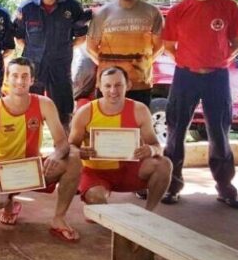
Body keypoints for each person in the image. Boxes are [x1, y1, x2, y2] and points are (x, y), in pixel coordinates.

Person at [161, 0, 238, 208]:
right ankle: (171, 186)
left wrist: (219, 60)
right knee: (176, 132)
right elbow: (167, 46)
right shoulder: (178, 11)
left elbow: (237, 44)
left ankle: (225, 188)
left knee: (219, 133)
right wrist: (188, 61)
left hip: (217, 78)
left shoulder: (228, 7)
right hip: (185, 76)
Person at [0, 57, 82, 242]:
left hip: (34, 171)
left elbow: (62, 143)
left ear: (32, 80)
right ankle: (9, 202)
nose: (20, 81)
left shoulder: (44, 104)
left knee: (73, 157)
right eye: (15, 76)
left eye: (25, 76)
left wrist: (56, 154)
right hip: (5, 173)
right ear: (7, 78)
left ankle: (58, 218)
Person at [68, 67, 171, 211]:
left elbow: (157, 146)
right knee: (96, 199)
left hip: (129, 170)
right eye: (108, 86)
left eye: (118, 85)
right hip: (96, 173)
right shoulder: (85, 112)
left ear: (128, 85)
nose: (113, 91)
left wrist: (151, 150)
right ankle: (97, 207)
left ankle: (149, 213)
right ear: (99, 86)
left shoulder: (139, 110)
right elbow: (70, 147)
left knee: (164, 164)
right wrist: (81, 151)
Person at [14, 0, 91, 127]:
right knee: (30, 113)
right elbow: (19, 38)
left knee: (63, 116)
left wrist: (62, 50)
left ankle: (63, 149)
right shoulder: (27, 8)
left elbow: (81, 38)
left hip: (60, 69)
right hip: (33, 70)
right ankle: (30, 149)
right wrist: (34, 53)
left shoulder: (72, 7)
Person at [85, 0, 163, 107]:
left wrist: (141, 65)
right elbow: (90, 48)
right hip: (108, 86)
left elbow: (159, 46)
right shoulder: (102, 14)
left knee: (136, 127)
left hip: (140, 85)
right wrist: (110, 66)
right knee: (107, 127)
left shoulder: (152, 12)